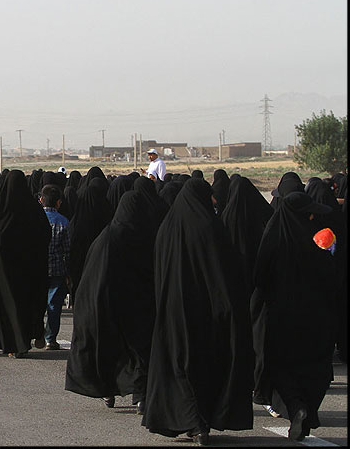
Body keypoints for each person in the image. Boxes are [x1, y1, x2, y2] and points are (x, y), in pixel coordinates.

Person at [142, 179, 253, 445]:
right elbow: (226, 274)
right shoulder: (211, 228)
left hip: (173, 313)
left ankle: (193, 423)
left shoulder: (166, 229)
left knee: (179, 365)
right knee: (205, 366)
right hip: (208, 314)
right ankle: (200, 421)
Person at [251, 192, 336, 441]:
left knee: (282, 367)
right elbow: (332, 275)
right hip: (317, 317)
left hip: (283, 317)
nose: (311, 215)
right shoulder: (316, 239)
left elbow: (260, 277)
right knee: (315, 367)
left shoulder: (274, 236)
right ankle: (307, 410)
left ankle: (297, 406)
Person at [66, 191, 155, 414]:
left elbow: (90, 277)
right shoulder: (143, 237)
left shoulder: (105, 238)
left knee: (108, 349)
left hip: (102, 305)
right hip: (135, 307)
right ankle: (140, 396)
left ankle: (108, 391)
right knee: (138, 351)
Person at [0, 170, 51, 358]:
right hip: (28, 270)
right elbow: (44, 235)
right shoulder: (33, 210)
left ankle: (10, 344)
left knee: (6, 305)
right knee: (25, 303)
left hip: (1, 272)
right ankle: (25, 340)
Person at [38, 184, 70, 350]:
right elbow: (68, 249)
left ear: (41, 200)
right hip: (57, 269)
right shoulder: (64, 222)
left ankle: (37, 334)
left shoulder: (34, 219)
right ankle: (50, 338)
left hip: (37, 269)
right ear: (58, 202)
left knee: (36, 303)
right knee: (54, 305)